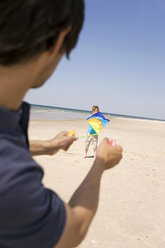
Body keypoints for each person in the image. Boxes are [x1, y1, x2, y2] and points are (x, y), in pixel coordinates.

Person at [0, 1, 123, 248]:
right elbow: (73, 229)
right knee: (93, 149)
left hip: (90, 132)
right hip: (94, 136)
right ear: (57, 40)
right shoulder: (10, 181)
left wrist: (45, 146)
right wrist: (101, 163)